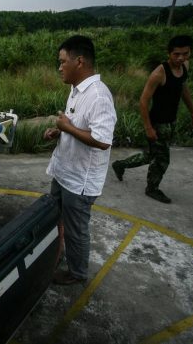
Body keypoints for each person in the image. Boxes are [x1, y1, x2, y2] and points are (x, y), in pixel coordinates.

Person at [43, 35, 117, 285]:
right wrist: (60, 130)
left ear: (80, 61)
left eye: (63, 62)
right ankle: (57, 255)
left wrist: (68, 127)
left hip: (80, 181)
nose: (60, 67)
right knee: (55, 219)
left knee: (76, 230)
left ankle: (77, 273)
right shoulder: (76, 90)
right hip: (64, 172)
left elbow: (103, 140)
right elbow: (78, 125)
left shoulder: (99, 96)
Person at [111, 35, 193, 204]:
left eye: (185, 53)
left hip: (171, 121)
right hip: (158, 122)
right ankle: (152, 188)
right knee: (162, 159)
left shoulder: (184, 67)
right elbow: (143, 101)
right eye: (176, 54)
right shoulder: (159, 73)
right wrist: (148, 128)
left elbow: (183, 89)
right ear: (169, 53)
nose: (181, 58)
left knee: (151, 155)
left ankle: (120, 164)